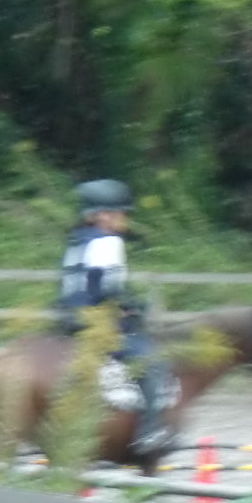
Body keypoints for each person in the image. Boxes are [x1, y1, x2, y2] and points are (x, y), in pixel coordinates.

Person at [55, 179, 175, 455]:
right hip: (96, 323)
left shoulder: (76, 240)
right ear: (103, 216)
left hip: (68, 320)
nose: (125, 219)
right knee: (153, 361)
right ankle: (150, 431)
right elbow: (107, 289)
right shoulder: (108, 242)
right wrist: (133, 307)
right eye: (121, 213)